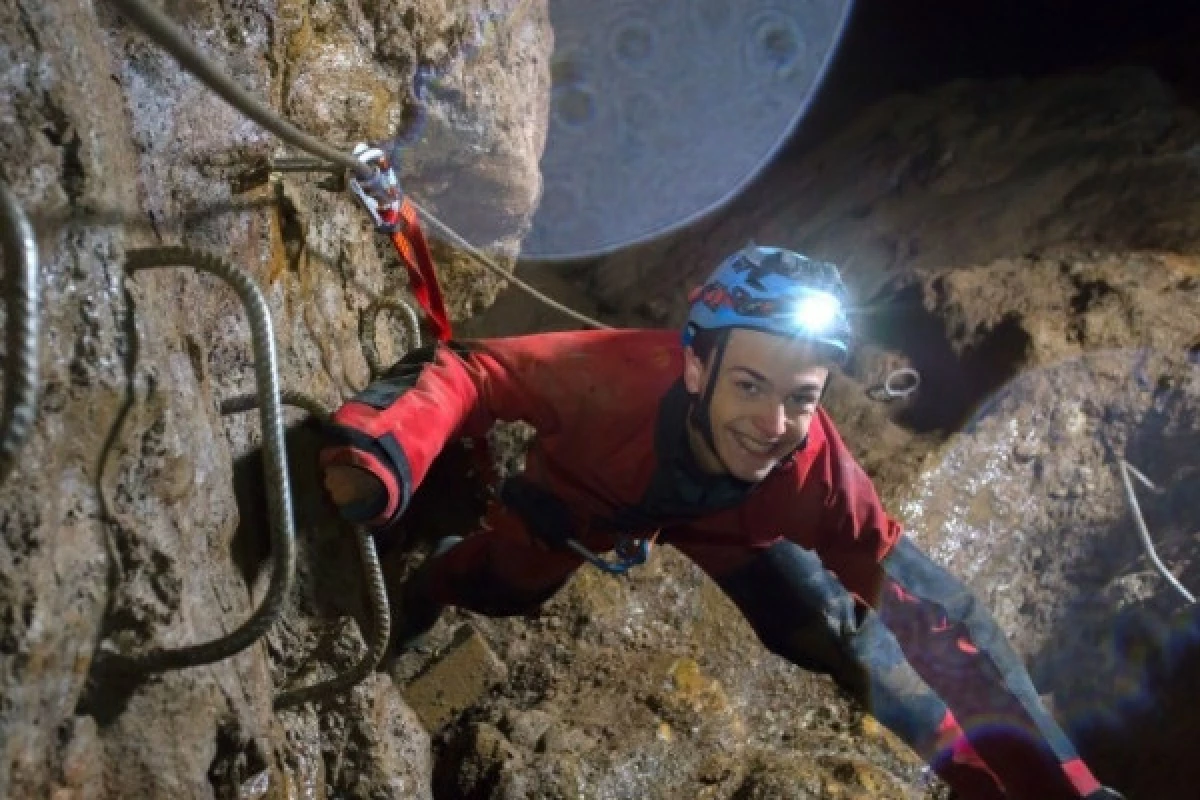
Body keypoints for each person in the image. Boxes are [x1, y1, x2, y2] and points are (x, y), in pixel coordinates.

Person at [319, 245, 1123, 800]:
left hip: (739, 524)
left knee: (848, 645)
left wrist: (1068, 789)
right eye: (749, 385)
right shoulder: (618, 380)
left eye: (801, 397)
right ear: (696, 365)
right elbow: (478, 373)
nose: (772, 422)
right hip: (598, 496)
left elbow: (944, 625)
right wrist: (387, 449)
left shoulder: (812, 471)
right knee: (506, 588)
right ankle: (430, 580)